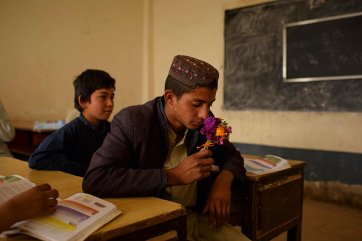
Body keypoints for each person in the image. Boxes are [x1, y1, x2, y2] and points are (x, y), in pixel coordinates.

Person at [83, 55, 249, 241]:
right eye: (196, 104)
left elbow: (232, 155)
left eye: (209, 104)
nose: (205, 114)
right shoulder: (132, 121)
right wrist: (173, 176)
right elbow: (96, 179)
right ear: (170, 97)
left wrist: (223, 182)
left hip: (197, 218)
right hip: (155, 225)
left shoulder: (205, 123)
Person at [28, 69, 116, 177]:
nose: (110, 103)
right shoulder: (70, 131)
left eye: (112, 97)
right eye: (103, 97)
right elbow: (37, 159)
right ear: (83, 101)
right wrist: (87, 171)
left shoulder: (112, 130)